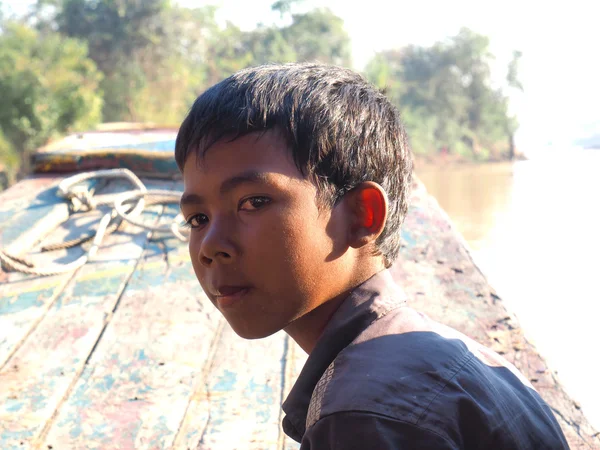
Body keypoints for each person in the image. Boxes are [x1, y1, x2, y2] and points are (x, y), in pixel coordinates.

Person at [175, 63, 569, 449]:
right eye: (197, 218)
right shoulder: (447, 356)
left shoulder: (363, 418)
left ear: (362, 215)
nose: (210, 245)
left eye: (253, 202)